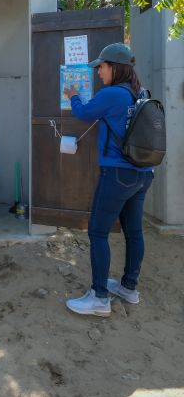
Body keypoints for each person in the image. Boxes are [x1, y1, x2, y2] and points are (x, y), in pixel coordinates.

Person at [63, 43, 154, 317]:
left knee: (97, 232)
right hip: (143, 174)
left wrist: (74, 95)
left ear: (114, 66)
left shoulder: (113, 93)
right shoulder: (140, 92)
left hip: (117, 174)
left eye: (100, 67)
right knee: (134, 232)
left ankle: (99, 297)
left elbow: (82, 113)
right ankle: (128, 288)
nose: (98, 72)